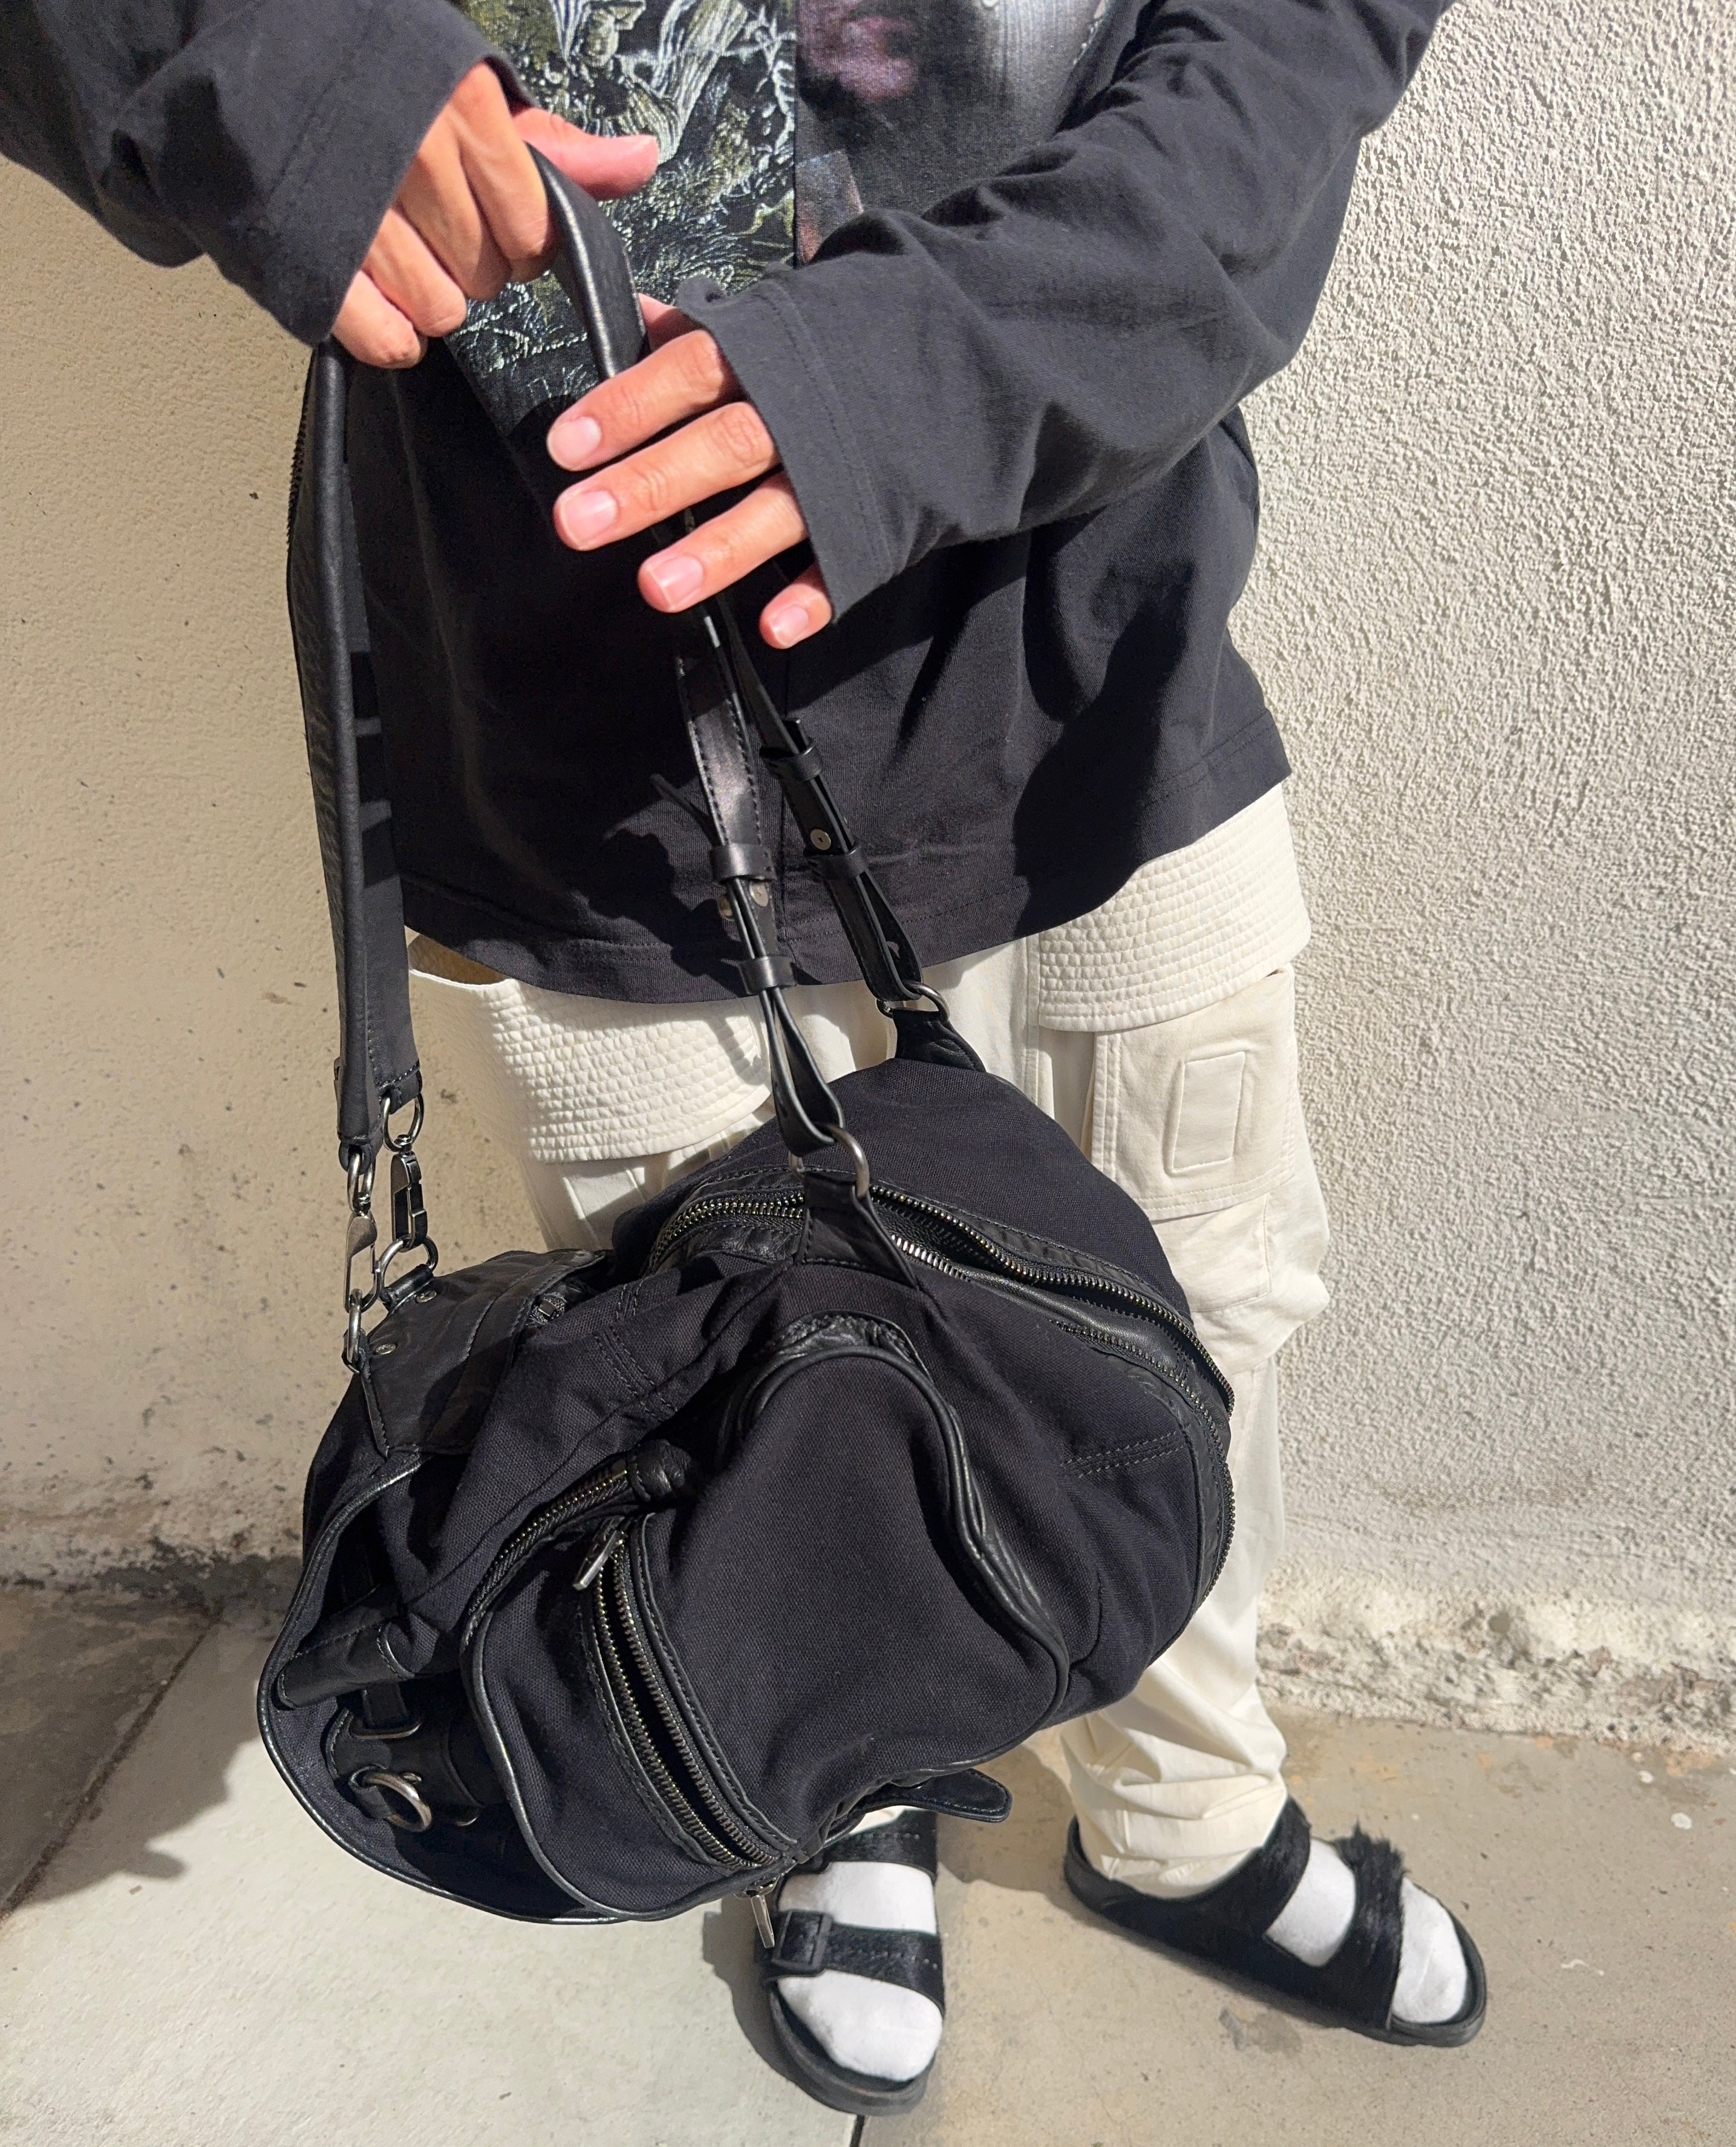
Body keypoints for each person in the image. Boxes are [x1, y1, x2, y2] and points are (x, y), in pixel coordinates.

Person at [1, 0, 1484, 2114]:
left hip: (1082, 654)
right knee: (731, 1435)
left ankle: (1188, 1813)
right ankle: (833, 1807)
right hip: (572, 731)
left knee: (1201, 1312)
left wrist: (924, 368)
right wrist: (257, 57)